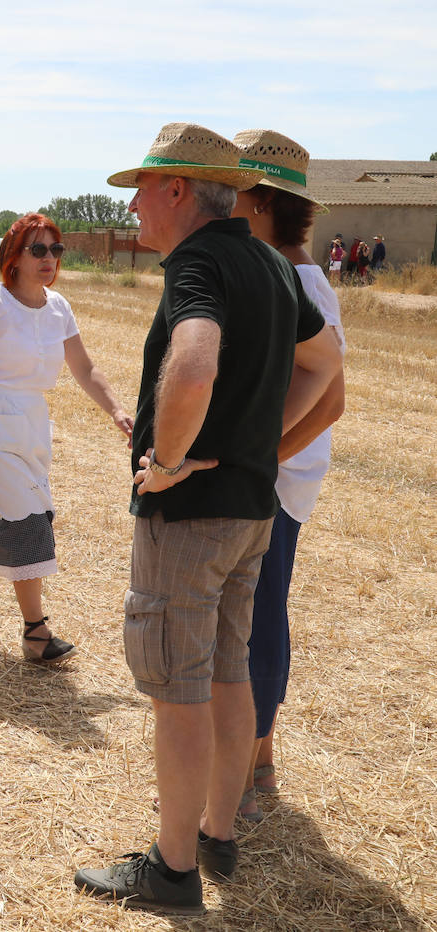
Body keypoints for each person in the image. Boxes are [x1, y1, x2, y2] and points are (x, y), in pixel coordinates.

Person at [74, 123, 341, 915]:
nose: (131, 203)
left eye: (142, 187)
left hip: (190, 518)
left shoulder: (198, 263)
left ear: (180, 190)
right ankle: (219, 832)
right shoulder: (269, 260)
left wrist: (165, 458)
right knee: (228, 669)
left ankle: (174, 868)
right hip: (252, 513)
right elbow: (326, 367)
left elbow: (192, 363)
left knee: (177, 688)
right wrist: (262, 443)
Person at [0, 213, 132, 653]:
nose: (49, 258)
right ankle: (35, 632)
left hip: (30, 425)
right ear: (14, 256)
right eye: (38, 249)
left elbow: (84, 368)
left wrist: (117, 410)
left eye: (56, 249)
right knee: (29, 518)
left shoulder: (58, 306)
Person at [231, 129, 347, 821]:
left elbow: (331, 397)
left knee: (258, 618)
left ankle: (249, 762)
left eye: (235, 194)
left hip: (276, 482)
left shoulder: (298, 282)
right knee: (259, 612)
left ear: (261, 202)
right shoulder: (297, 274)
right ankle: (262, 754)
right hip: (281, 476)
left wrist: (261, 461)